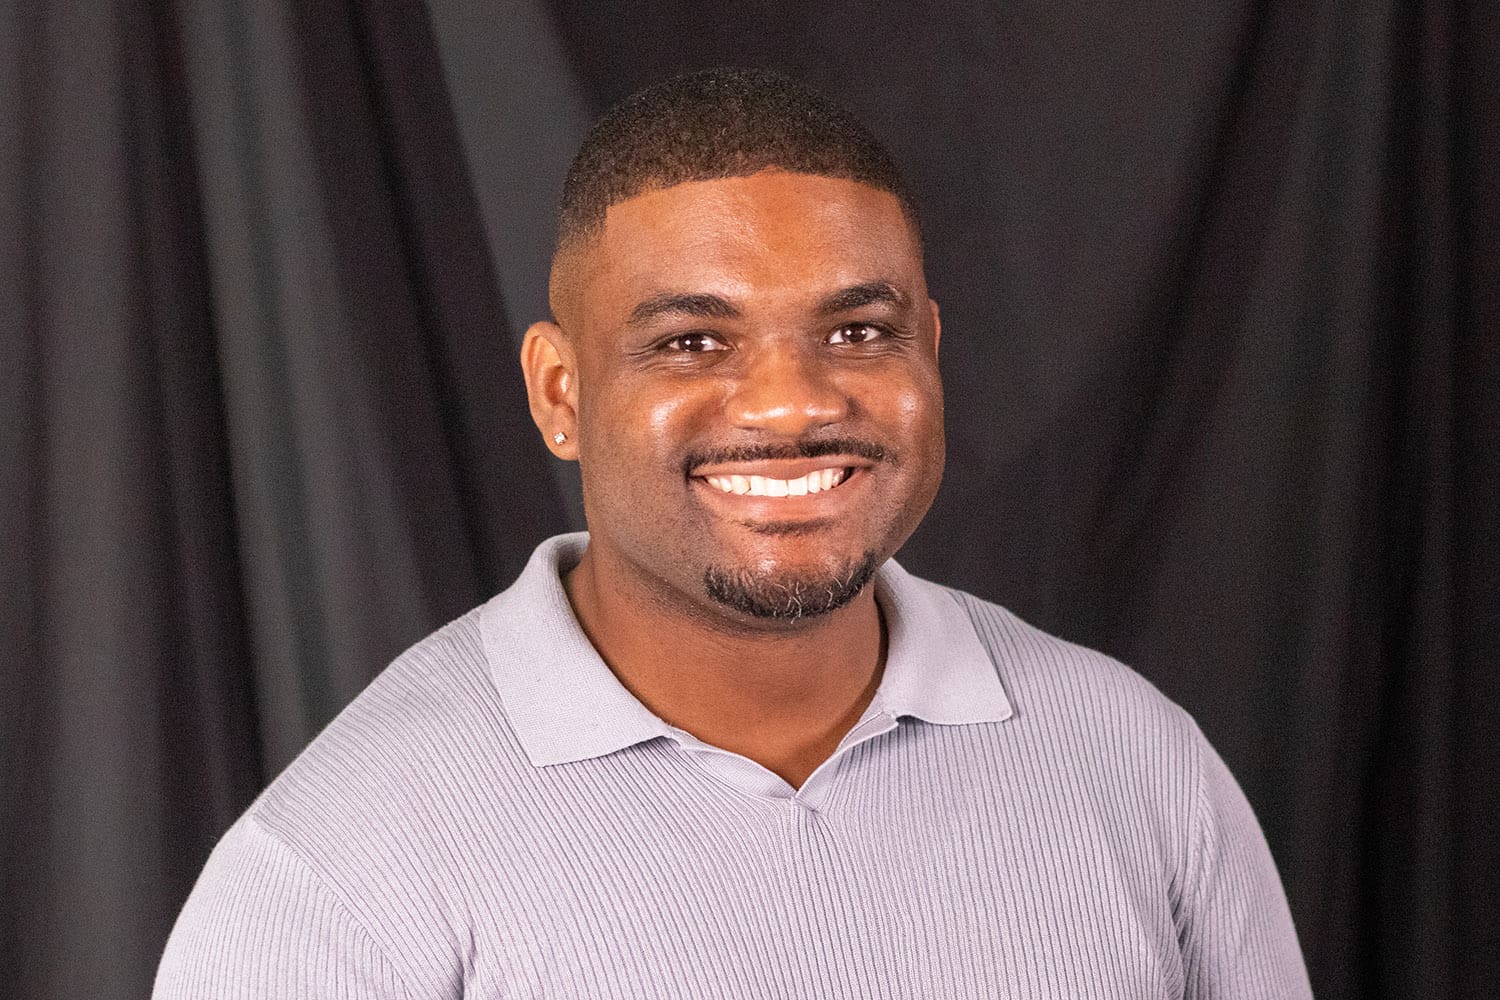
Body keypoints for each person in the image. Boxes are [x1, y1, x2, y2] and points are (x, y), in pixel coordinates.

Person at [155, 68, 1312, 999]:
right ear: (559, 393)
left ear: (931, 351)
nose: (792, 406)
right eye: (692, 343)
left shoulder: (1134, 761)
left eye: (858, 332)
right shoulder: (335, 869)